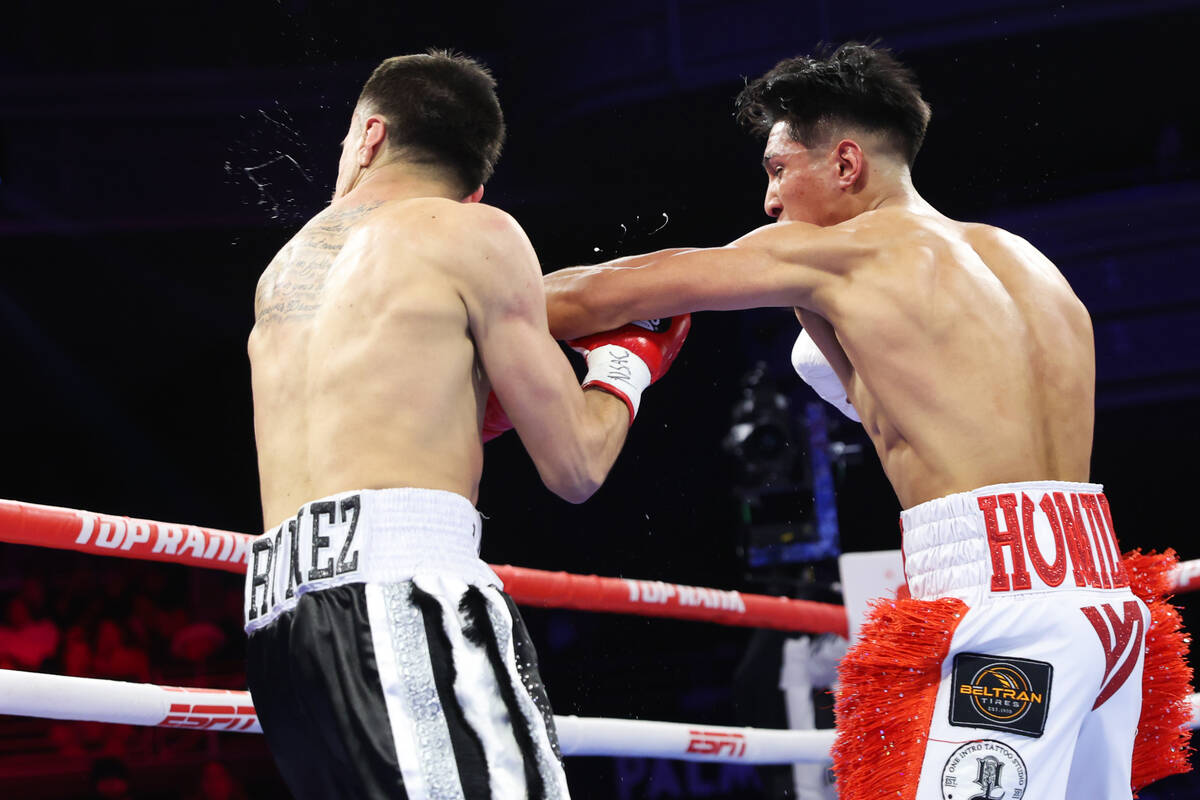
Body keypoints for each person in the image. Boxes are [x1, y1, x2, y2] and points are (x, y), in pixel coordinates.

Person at [542, 42, 1191, 799]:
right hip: (1107, 611)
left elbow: (590, 299)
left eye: (779, 170)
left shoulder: (842, 258)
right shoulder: (1027, 260)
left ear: (846, 164)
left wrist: (456, 276)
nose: (770, 203)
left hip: (1003, 615)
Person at [243, 50, 689, 799]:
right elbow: (576, 464)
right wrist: (626, 367)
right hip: (406, 598)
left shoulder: (284, 269)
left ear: (369, 137)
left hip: (281, 629)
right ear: (476, 187)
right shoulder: (473, 232)